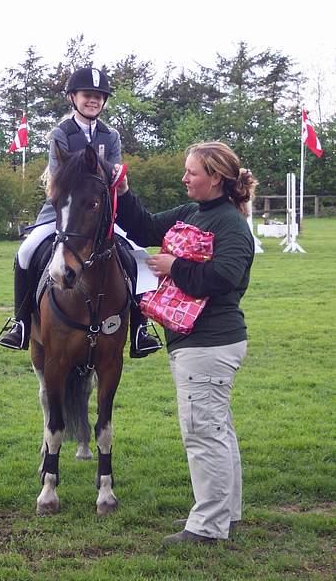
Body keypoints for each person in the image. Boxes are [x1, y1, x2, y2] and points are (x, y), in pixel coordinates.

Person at [114, 141, 257, 544]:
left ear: (215, 177)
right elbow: (144, 227)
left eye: (191, 172)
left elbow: (225, 276)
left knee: (203, 433)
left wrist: (174, 266)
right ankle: (226, 515)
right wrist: (124, 194)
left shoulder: (230, 224)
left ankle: (208, 528)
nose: (184, 178)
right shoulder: (195, 212)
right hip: (199, 344)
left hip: (210, 344)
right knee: (217, 429)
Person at [0, 67, 162, 357]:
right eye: (88, 96)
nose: (93, 101)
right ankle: (21, 323)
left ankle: (140, 327)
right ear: (73, 97)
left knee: (138, 254)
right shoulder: (61, 133)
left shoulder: (110, 136)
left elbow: (116, 173)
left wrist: (105, 177)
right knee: (26, 251)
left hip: (103, 212)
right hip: (61, 212)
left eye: (99, 97)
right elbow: (58, 176)